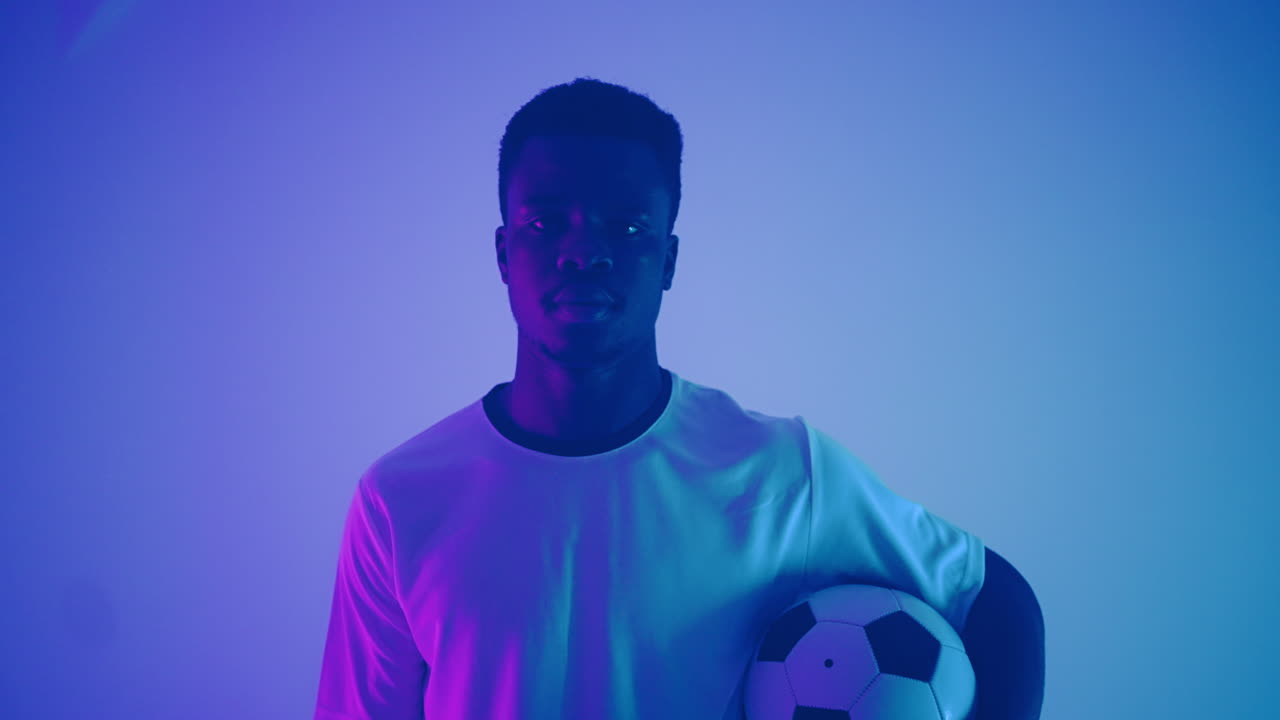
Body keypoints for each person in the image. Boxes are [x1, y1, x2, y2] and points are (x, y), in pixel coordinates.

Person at [313, 77, 1044, 720]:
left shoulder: (781, 472)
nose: (583, 252)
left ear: (667, 259)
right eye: (546, 222)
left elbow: (997, 602)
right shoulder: (400, 499)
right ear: (504, 253)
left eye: (626, 226)